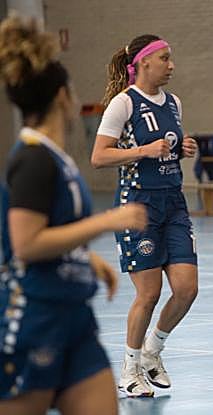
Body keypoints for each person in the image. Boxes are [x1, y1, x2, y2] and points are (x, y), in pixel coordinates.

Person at [0, 15, 147, 414]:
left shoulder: (55, 158)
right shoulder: (33, 160)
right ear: (63, 97)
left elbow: (56, 227)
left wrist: (84, 258)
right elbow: (26, 244)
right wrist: (106, 221)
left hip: (75, 319)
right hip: (35, 318)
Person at [91, 34, 199, 397]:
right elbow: (99, 157)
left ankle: (153, 351)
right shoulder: (123, 104)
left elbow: (166, 146)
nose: (171, 65)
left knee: (187, 289)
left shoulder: (174, 103)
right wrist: (142, 150)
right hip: (138, 205)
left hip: (174, 203)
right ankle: (129, 369)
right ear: (144, 64)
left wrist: (183, 148)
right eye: (165, 58)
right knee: (149, 293)